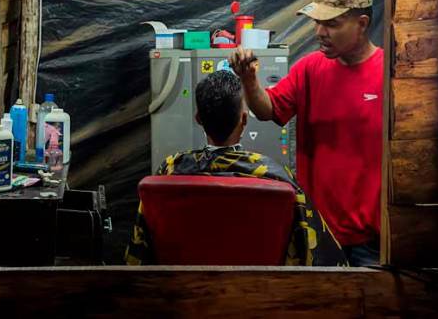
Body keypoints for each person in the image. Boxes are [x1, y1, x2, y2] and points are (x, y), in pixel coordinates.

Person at [229, 0, 383, 266]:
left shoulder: (388, 73)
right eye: (317, 22)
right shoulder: (309, 69)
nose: (319, 32)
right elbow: (267, 110)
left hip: (372, 241)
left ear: (361, 23)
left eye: (331, 24)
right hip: (317, 231)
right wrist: (249, 79)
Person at [125, 70, 347, 266]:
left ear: (198, 119)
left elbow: (141, 251)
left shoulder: (169, 171)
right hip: (259, 297)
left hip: (183, 297)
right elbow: (317, 255)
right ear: (244, 120)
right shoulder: (276, 178)